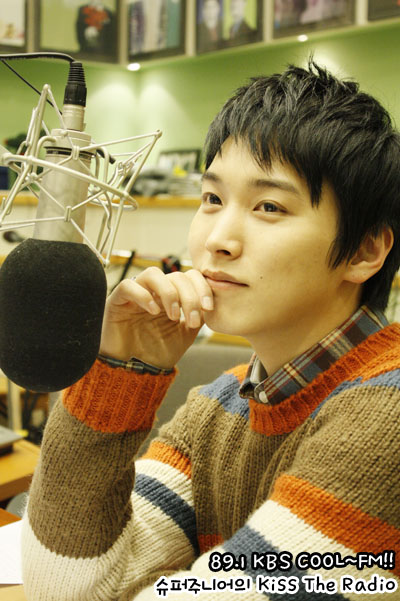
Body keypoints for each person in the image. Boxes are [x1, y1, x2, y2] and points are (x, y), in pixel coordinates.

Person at [22, 60, 400, 599]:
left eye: (269, 206)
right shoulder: (221, 407)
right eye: (213, 199)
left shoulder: (388, 412)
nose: (218, 239)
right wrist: (118, 372)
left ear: (364, 251)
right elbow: (66, 588)